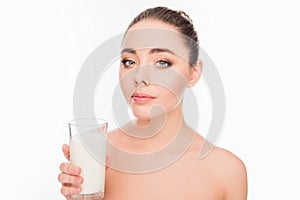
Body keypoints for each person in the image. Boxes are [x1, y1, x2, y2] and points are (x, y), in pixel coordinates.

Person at [58, 6, 248, 200]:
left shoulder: (226, 171)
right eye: (129, 62)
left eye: (162, 62)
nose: (139, 77)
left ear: (193, 73)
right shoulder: (96, 154)